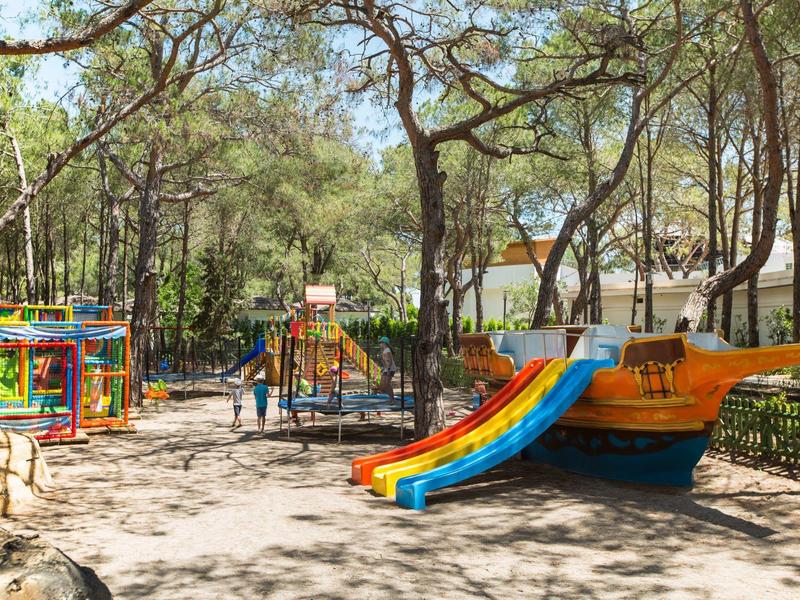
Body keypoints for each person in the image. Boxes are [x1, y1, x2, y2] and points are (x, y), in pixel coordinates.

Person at [378, 336, 396, 403]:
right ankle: (391, 398)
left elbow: (390, 361)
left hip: (390, 368)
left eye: (380, 342)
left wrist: (388, 370)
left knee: (387, 384)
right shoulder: (385, 350)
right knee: (383, 385)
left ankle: (392, 399)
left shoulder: (387, 350)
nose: (379, 344)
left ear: (384, 343)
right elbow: (385, 362)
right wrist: (383, 368)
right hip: (387, 368)